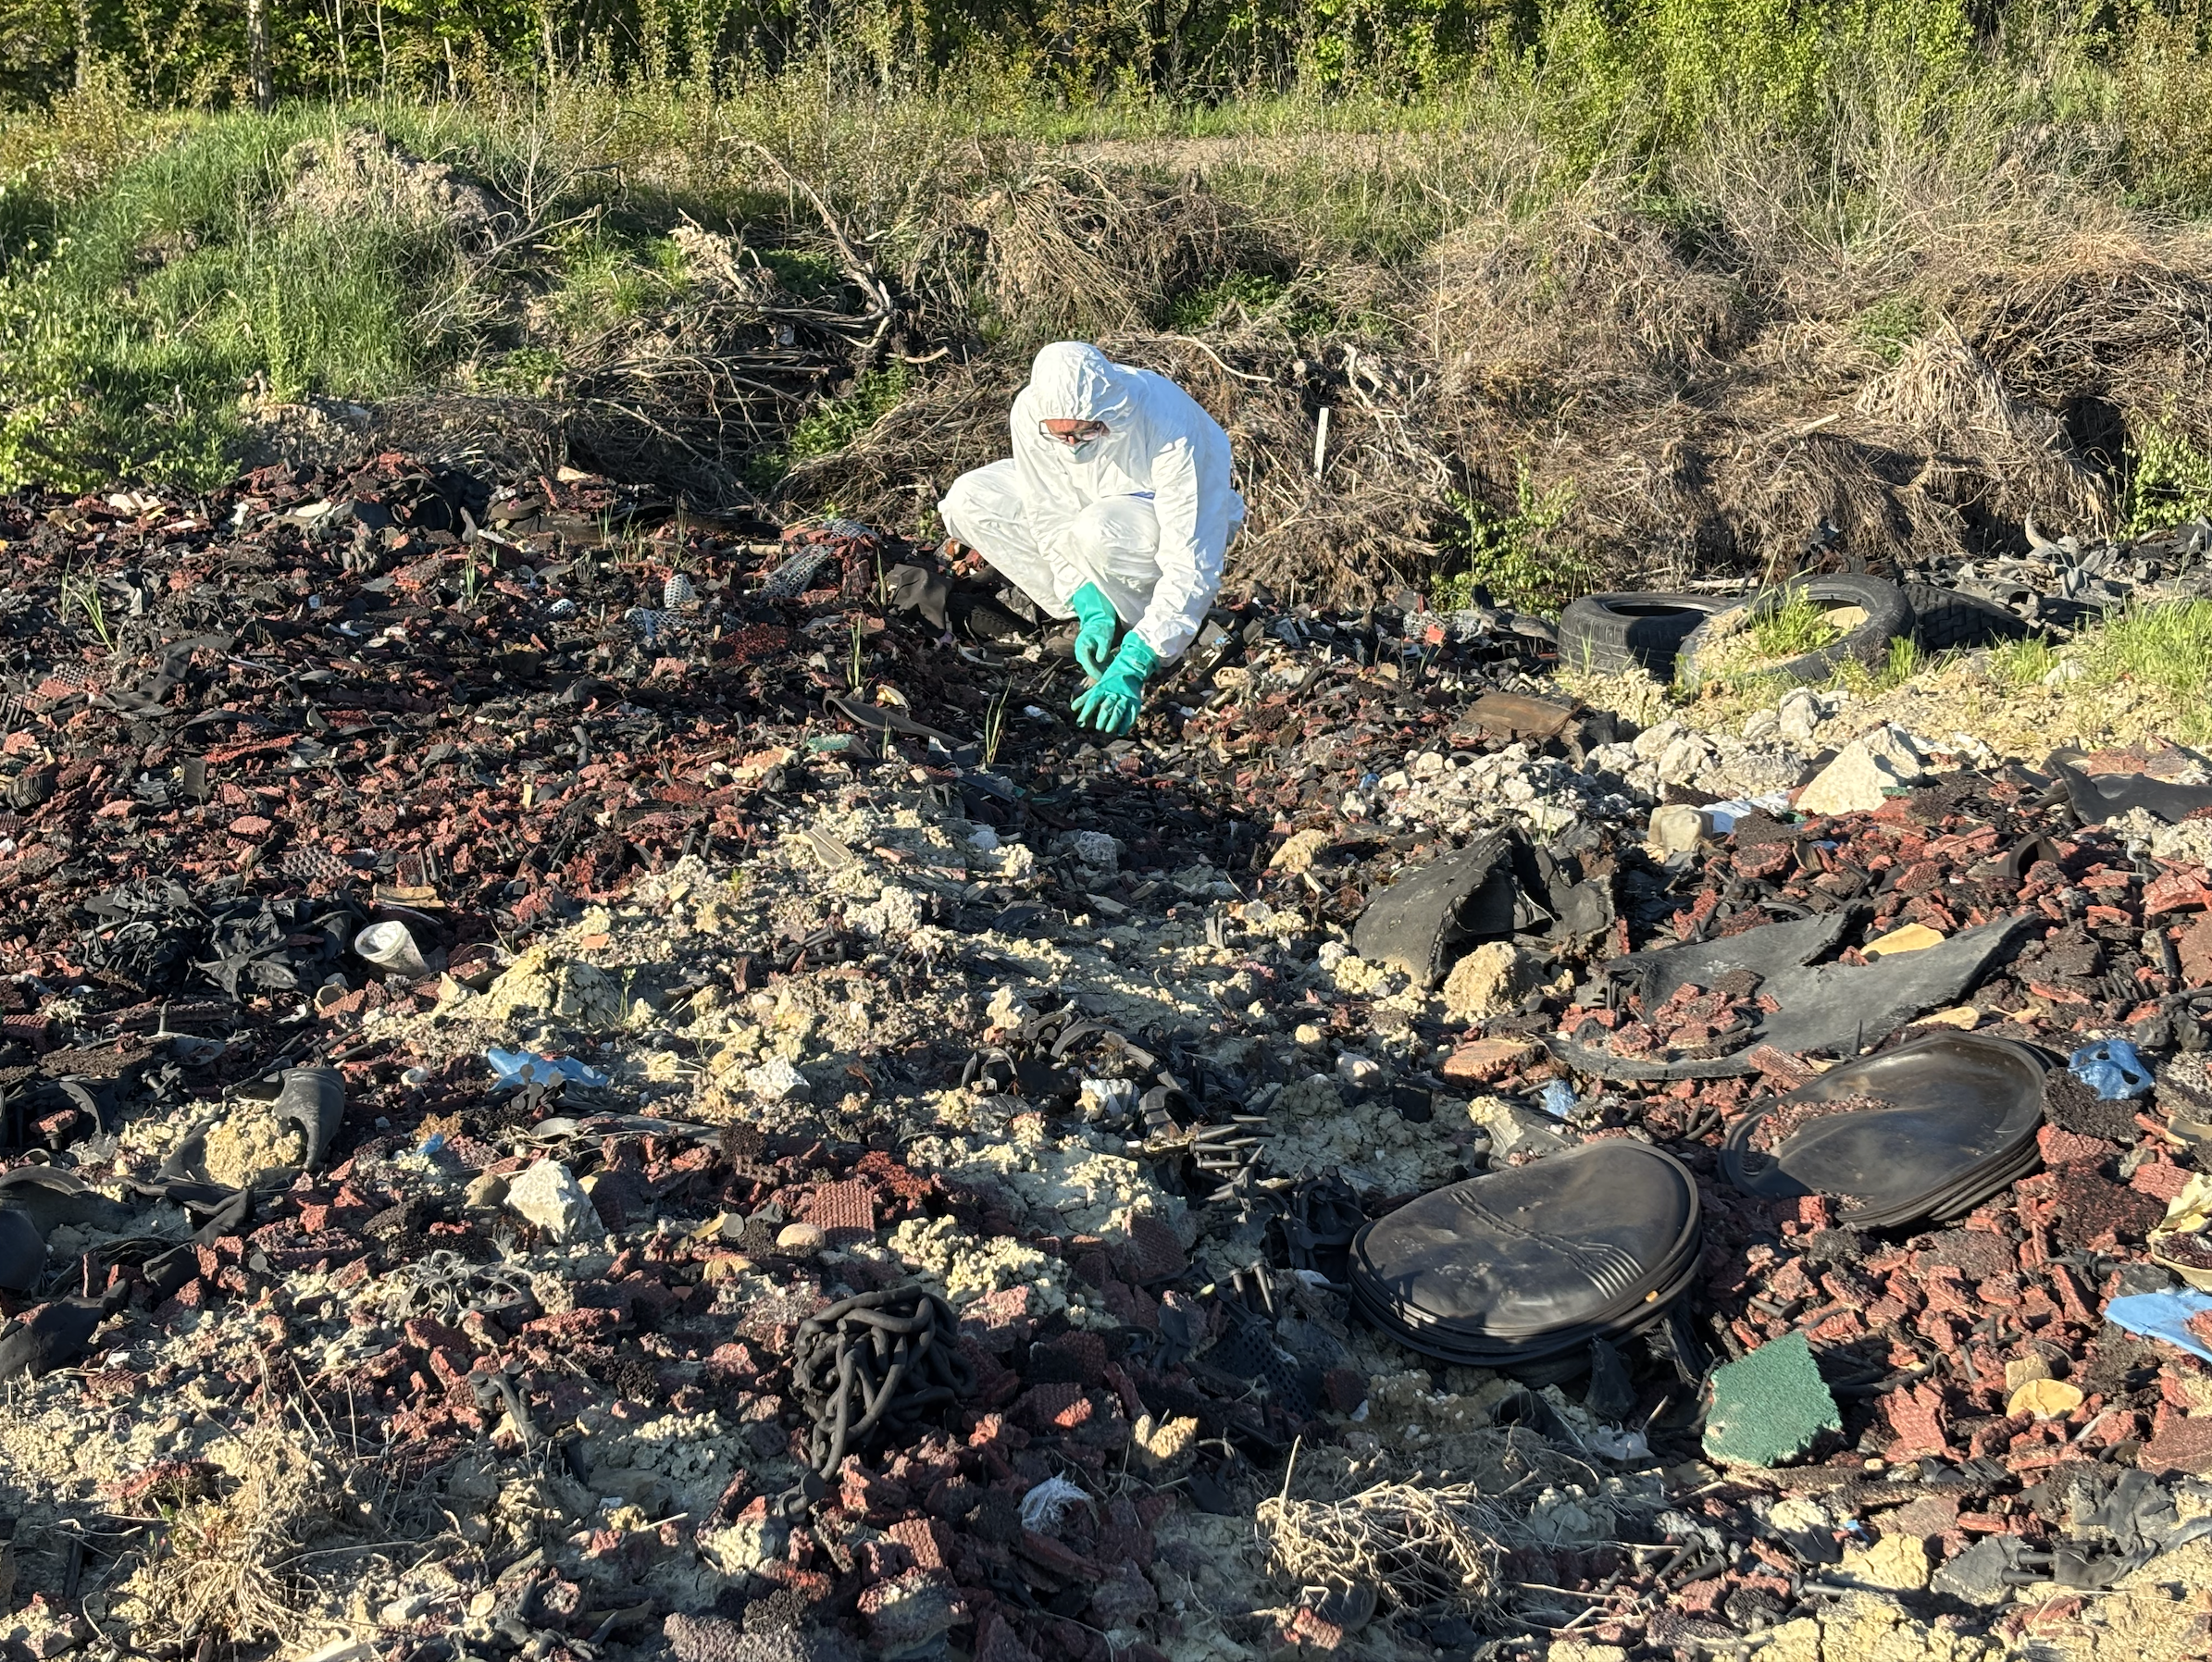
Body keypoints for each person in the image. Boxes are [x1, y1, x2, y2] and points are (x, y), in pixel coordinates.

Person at [938, 341, 1245, 736]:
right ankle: (1092, 617)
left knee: (1096, 528)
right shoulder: (1032, 412)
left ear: (1109, 414)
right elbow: (1047, 511)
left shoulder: (1169, 424)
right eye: (1060, 436)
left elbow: (1190, 561)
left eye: (1082, 433)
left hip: (1152, 519)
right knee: (970, 499)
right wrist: (1086, 599)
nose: (1070, 444)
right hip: (1088, 508)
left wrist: (1138, 660)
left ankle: (1141, 634)